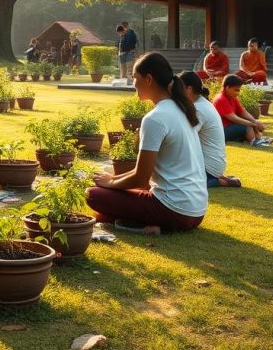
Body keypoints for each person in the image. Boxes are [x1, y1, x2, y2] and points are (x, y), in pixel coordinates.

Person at [86, 52, 207, 235]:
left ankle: (146, 225)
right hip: (196, 212)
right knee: (107, 196)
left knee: (93, 194)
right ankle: (143, 223)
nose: (133, 83)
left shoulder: (156, 118)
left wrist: (109, 183)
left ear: (148, 79)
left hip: (174, 210)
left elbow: (141, 179)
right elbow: (142, 177)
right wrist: (111, 179)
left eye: (134, 77)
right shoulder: (181, 109)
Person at [180, 72, 241, 188]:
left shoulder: (199, 109)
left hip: (209, 167)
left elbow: (184, 137)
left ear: (189, 89)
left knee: (182, 183)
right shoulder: (201, 104)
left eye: (178, 89)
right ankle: (217, 177)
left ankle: (221, 181)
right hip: (212, 164)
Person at [214, 75, 271, 146]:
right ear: (227, 87)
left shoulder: (232, 97)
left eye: (239, 90)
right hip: (221, 131)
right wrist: (251, 123)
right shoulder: (221, 99)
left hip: (230, 127)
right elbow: (233, 118)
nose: (238, 92)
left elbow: (243, 112)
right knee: (248, 126)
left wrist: (254, 121)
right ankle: (255, 141)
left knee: (254, 124)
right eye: (236, 90)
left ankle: (257, 138)